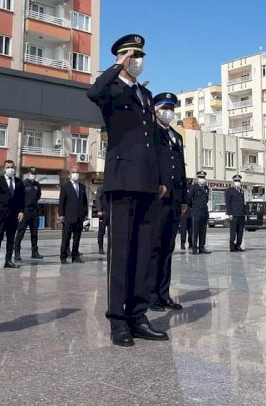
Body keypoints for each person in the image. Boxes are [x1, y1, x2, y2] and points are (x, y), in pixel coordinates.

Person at [87, 33, 168, 347]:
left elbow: (153, 143)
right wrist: (115, 65)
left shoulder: (145, 96)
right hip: (122, 180)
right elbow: (93, 92)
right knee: (121, 253)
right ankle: (118, 321)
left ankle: (138, 315)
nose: (139, 61)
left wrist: (159, 178)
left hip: (147, 181)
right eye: (133, 55)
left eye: (140, 55)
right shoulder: (112, 89)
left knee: (143, 252)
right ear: (121, 57)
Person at [149, 92, 187, 311]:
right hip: (158, 198)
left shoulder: (176, 136)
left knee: (167, 248)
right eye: (164, 107)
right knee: (153, 247)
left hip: (174, 200)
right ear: (155, 109)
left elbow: (181, 168)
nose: (168, 112)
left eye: (171, 109)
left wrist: (184, 199)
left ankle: (163, 294)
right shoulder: (151, 131)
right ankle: (150, 295)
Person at [0, 160, 25, 270]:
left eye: (12, 167)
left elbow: (21, 199)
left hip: (13, 215)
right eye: (8, 167)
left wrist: (21, 211)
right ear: (4, 169)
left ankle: (8, 261)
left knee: (11, 239)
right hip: (0, 215)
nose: (10, 169)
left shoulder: (19, 182)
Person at [58, 166, 88, 264]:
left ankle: (75, 255)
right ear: (70, 174)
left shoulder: (82, 187)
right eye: (74, 172)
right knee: (66, 237)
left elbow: (85, 202)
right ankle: (63, 256)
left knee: (77, 237)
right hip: (68, 217)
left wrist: (85, 214)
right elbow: (61, 201)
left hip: (79, 217)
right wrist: (61, 214)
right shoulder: (65, 186)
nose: (76, 174)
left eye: (77, 172)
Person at [15, 167, 43, 261]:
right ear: (27, 174)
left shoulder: (37, 185)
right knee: (20, 232)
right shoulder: (23, 184)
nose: (33, 175)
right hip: (25, 211)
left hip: (34, 211)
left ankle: (35, 252)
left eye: (34, 174)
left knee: (34, 233)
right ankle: (17, 253)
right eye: (31, 173)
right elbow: (18, 198)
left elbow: (38, 196)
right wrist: (20, 211)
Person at [188, 171, 211, 255]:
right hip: (196, 212)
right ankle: (194, 248)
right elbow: (189, 199)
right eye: (200, 177)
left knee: (203, 230)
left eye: (203, 177)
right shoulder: (194, 187)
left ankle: (202, 247)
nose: (202, 179)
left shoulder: (206, 188)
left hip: (204, 212)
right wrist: (194, 208)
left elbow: (207, 199)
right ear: (197, 178)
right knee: (195, 231)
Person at [225, 174, 246, 252]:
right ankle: (232, 247)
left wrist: (245, 213)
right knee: (233, 231)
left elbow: (242, 203)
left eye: (239, 181)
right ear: (233, 182)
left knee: (240, 231)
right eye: (236, 181)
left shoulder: (241, 191)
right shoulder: (229, 191)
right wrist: (230, 213)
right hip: (234, 214)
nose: (238, 182)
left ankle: (238, 245)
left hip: (241, 214)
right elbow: (228, 203)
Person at [95, 185, 107, 255]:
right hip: (103, 213)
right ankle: (100, 248)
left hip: (111, 213)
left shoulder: (112, 187)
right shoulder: (101, 188)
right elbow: (98, 199)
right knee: (101, 231)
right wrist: (99, 210)